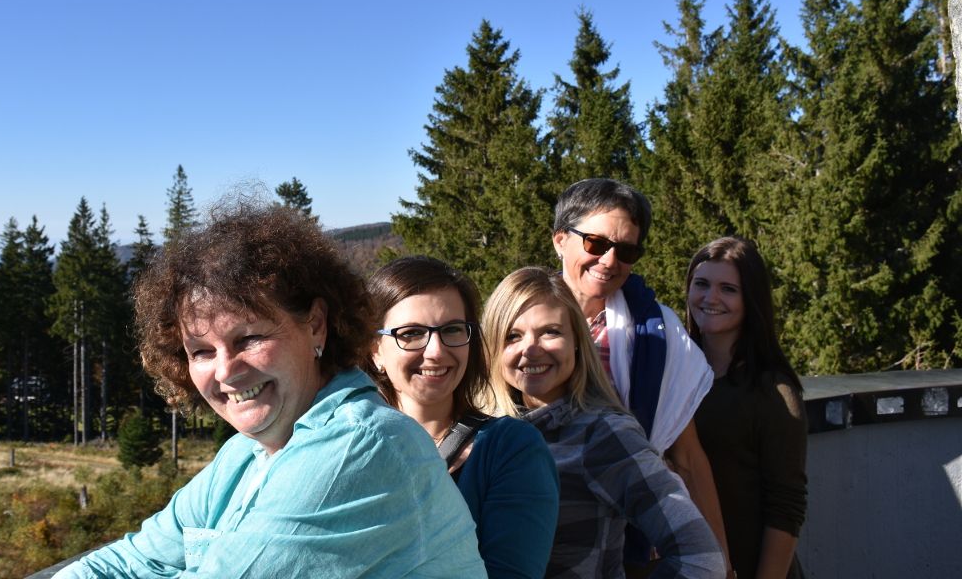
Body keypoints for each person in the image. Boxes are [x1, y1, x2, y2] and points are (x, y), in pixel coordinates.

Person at [57, 203, 486, 579]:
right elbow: (133, 559)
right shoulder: (244, 456)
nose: (226, 370)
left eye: (249, 338)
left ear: (316, 325)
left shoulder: (362, 446)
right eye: (201, 351)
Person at [482, 266, 724, 579]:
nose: (531, 349)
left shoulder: (603, 434)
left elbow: (701, 558)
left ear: (577, 341)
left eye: (550, 332)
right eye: (512, 336)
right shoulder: (480, 432)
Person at [551, 178, 729, 571]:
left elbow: (687, 456)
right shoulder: (518, 324)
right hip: (539, 527)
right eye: (596, 243)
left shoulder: (655, 334)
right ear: (560, 240)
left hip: (623, 542)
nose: (610, 260)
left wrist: (724, 563)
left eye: (626, 250)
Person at [367, 255, 559, 579]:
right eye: (411, 333)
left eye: (452, 330)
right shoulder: (342, 446)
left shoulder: (511, 449)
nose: (436, 350)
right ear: (375, 350)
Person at [686, 237, 807, 579]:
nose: (710, 298)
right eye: (702, 284)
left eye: (728, 289)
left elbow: (786, 506)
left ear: (751, 299)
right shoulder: (676, 374)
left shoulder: (774, 391)